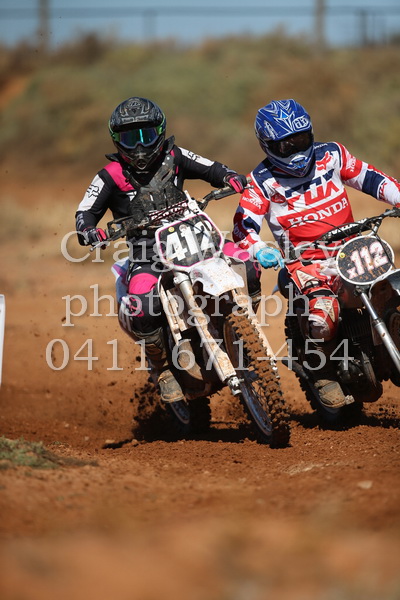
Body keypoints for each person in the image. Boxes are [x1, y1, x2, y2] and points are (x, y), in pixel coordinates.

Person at [75, 96, 260, 404]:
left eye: (146, 135)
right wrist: (88, 231)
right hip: (147, 253)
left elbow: (212, 169)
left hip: (196, 236)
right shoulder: (110, 175)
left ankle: (243, 332)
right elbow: (85, 212)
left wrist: (230, 177)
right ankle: (163, 369)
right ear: (116, 139)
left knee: (249, 265)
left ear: (160, 132)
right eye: (129, 138)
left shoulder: (175, 156)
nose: (139, 146)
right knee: (142, 306)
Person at [233, 98, 400, 408]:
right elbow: (243, 227)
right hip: (306, 263)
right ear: (268, 145)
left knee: (392, 288)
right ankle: (321, 372)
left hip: (353, 248)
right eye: (286, 145)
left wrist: (397, 196)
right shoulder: (261, 181)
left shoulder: (332, 155)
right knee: (324, 314)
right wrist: (260, 248)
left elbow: (371, 178)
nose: (296, 150)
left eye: (301, 139)